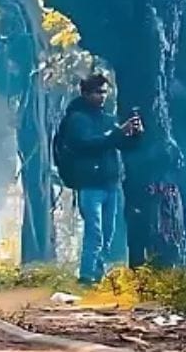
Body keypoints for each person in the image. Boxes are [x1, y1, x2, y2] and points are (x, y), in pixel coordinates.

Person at [54, 73, 143, 285]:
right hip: (89, 185)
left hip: (111, 183)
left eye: (104, 92)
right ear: (85, 93)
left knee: (108, 233)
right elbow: (85, 144)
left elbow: (121, 146)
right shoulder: (76, 119)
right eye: (96, 92)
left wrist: (135, 134)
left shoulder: (108, 117)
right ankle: (86, 276)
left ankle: (98, 276)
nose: (101, 96)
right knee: (94, 232)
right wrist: (115, 135)